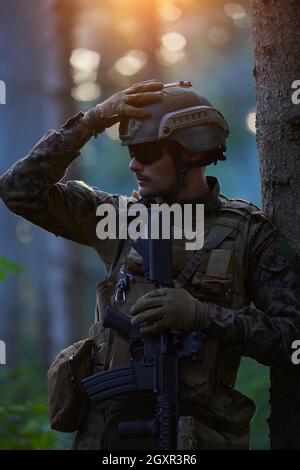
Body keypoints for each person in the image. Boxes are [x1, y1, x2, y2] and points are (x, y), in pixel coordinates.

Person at [0, 79, 300, 450]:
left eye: (145, 151)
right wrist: (92, 121)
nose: (133, 164)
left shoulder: (250, 234)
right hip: (107, 438)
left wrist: (201, 316)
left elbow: (292, 340)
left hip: (194, 438)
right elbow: (19, 189)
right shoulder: (117, 218)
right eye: (130, 150)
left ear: (190, 153)